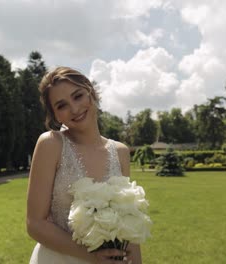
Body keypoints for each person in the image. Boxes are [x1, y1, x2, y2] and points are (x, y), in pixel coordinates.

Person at [27, 66, 142, 264]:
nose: (74, 108)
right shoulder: (51, 144)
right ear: (55, 116)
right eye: (62, 105)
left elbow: (128, 219)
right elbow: (35, 223)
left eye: (78, 96)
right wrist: (91, 256)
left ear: (91, 92)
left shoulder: (121, 152)